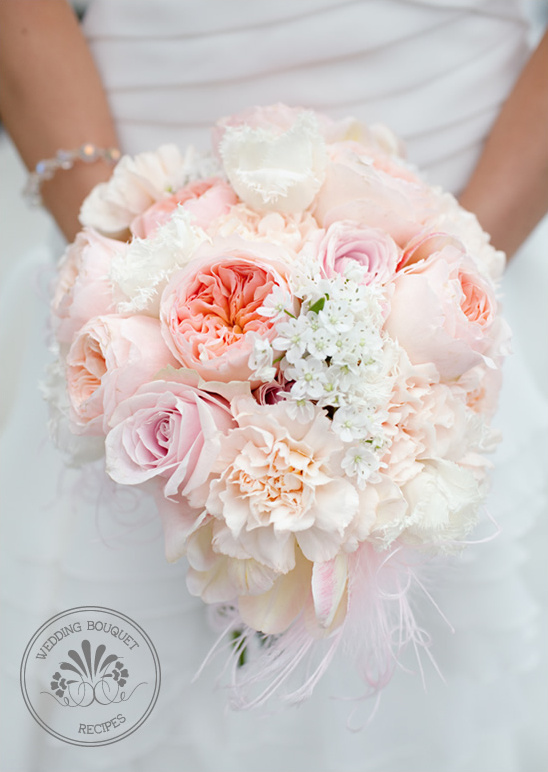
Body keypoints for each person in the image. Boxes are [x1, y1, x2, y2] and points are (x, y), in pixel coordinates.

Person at [0, 1, 546, 770]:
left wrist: (438, 289)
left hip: (478, 243)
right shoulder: (132, 302)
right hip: (130, 253)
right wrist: (137, 292)